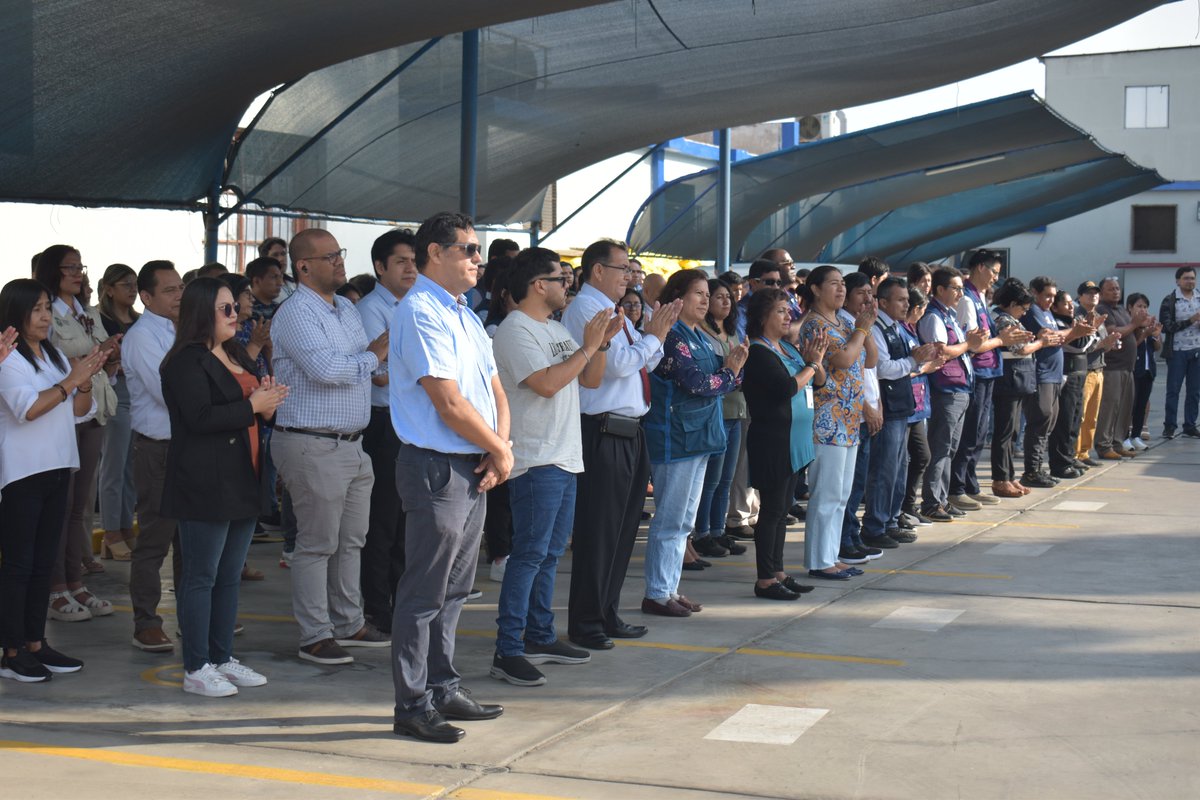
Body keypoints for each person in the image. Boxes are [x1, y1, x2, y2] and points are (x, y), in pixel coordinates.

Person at [388, 211, 509, 743]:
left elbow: (494, 390)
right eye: (468, 249)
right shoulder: (419, 312)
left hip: (473, 462)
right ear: (434, 253)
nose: (477, 259)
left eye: (477, 250)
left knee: (456, 589)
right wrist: (498, 449)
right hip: (437, 467)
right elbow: (448, 402)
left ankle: (442, 686)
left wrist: (498, 449)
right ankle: (413, 703)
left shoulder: (467, 315)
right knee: (424, 591)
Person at [489, 247, 620, 687]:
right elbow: (546, 385)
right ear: (537, 285)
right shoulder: (515, 330)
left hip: (564, 455)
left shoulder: (554, 328)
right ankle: (507, 648)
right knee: (528, 555)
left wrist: (599, 345)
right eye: (561, 279)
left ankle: (540, 635)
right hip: (535, 458)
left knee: (548, 555)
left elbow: (591, 379)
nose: (568, 285)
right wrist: (587, 346)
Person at [160, 278, 288, 696]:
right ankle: (196, 665)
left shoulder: (234, 353)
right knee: (201, 575)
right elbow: (198, 418)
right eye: (225, 309)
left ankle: (220, 655)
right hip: (205, 481)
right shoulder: (185, 362)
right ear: (201, 313)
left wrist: (265, 403)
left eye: (235, 307)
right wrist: (251, 406)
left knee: (229, 575)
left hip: (242, 475)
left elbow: (246, 411)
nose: (236, 315)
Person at [271, 229, 390, 666]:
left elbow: (362, 366)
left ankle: (348, 621)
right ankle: (314, 635)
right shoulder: (296, 312)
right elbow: (326, 369)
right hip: (312, 442)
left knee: (351, 541)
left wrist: (378, 364)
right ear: (303, 267)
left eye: (339, 254)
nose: (340, 262)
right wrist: (375, 358)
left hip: (352, 444)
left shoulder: (345, 308)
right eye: (330, 257)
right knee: (317, 544)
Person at [562, 239, 681, 650]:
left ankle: (607, 611)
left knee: (623, 529)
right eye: (622, 269)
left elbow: (642, 360)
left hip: (630, 429)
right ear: (597, 271)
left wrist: (653, 337)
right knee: (600, 531)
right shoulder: (587, 309)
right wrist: (653, 336)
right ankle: (587, 620)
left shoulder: (617, 311)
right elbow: (616, 366)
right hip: (602, 429)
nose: (629, 276)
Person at [0, 280, 104, 681]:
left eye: (47, 308)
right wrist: (68, 382)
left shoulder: (55, 355)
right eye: (38, 309)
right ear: (16, 313)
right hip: (23, 472)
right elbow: (29, 409)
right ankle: (11, 651)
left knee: (44, 563)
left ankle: (35, 643)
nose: (46, 316)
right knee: (19, 565)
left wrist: (85, 380)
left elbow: (80, 409)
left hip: (59, 466)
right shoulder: (9, 360)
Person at [642, 270, 746, 617]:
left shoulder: (698, 335)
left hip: (699, 434)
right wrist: (728, 373)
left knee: (684, 520)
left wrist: (729, 372)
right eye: (698, 294)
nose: (705, 300)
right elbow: (697, 382)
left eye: (707, 294)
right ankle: (657, 592)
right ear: (677, 298)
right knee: (671, 518)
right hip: (677, 436)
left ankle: (669, 588)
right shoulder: (671, 336)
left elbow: (725, 377)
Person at [34, 246, 120, 622]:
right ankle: (54, 588)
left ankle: (75, 582)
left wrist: (107, 355)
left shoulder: (86, 312)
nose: (78, 273)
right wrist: (94, 355)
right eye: (70, 267)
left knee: (79, 507)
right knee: (60, 505)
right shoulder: (46, 311)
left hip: (94, 410)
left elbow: (93, 357)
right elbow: (55, 361)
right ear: (53, 271)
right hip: (63, 415)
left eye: (80, 267)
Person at [355, 228, 419, 634]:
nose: (411, 268)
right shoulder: (371, 310)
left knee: (404, 523)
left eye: (414, 261)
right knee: (382, 521)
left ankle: (400, 600)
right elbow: (377, 374)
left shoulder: (415, 305)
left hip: (410, 422)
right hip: (383, 425)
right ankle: (378, 606)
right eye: (401, 261)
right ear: (380, 267)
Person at [743, 288, 825, 599]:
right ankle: (765, 579)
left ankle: (777, 571)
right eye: (780, 310)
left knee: (781, 510)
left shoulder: (787, 349)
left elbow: (819, 382)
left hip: (795, 441)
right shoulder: (759, 352)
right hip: (774, 441)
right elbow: (786, 387)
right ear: (763, 317)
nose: (788, 315)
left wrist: (814, 362)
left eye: (788, 309)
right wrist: (812, 365)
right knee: (772, 511)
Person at [798, 266, 876, 580]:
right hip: (827, 420)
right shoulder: (815, 325)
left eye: (843, 284)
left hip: (849, 418)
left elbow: (870, 359)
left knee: (841, 494)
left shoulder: (844, 320)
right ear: (815, 289)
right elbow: (843, 359)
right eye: (834, 284)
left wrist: (865, 327)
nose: (841, 289)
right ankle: (819, 560)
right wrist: (861, 330)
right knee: (826, 493)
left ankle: (831, 555)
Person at [123, 260, 185, 652]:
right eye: (169, 290)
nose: (179, 295)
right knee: (155, 539)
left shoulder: (185, 329)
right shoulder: (143, 337)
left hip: (189, 446)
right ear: (145, 298)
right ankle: (145, 621)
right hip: (159, 448)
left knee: (191, 539)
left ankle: (194, 616)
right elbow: (171, 394)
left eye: (180, 288)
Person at [860, 277, 939, 554]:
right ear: (883, 302)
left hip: (902, 406)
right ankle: (875, 526)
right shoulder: (877, 328)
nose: (907, 304)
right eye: (901, 299)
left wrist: (919, 355)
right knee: (884, 470)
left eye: (907, 299)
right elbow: (882, 368)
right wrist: (914, 360)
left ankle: (891, 519)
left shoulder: (896, 327)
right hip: (889, 407)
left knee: (898, 467)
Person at [949, 250, 1030, 510]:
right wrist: (1003, 341)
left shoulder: (980, 298)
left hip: (988, 373)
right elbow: (973, 344)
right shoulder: (967, 299)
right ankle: (957, 487)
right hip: (976, 373)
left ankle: (970, 485)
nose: (995, 277)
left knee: (979, 434)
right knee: (969, 434)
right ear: (980, 268)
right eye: (993, 272)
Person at [918, 267, 987, 522]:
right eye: (956, 288)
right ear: (940, 290)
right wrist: (969, 344)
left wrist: (969, 343)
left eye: (961, 288)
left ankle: (942, 499)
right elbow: (942, 352)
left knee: (951, 448)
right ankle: (931, 502)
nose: (960, 293)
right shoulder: (934, 317)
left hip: (959, 388)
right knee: (941, 447)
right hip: (945, 390)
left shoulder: (949, 315)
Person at [692, 279, 750, 559]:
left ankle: (718, 530)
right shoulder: (701, 332)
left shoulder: (733, 331)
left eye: (729, 297)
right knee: (711, 480)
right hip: (717, 411)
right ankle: (701, 533)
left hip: (737, 409)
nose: (725, 302)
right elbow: (718, 371)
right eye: (718, 297)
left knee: (726, 479)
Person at [1020, 277, 1094, 486]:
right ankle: (1031, 471)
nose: (1050, 301)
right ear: (1034, 292)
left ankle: (1038, 468)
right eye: (1047, 296)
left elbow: (1057, 337)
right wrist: (1075, 331)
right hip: (1041, 374)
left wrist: (1076, 332)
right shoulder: (1034, 311)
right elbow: (1050, 336)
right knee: (1039, 421)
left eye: (1053, 296)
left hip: (1054, 375)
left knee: (1049, 423)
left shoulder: (1046, 312)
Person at [96, 264, 140, 561]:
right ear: (109, 289)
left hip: (138, 395)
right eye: (125, 284)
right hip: (114, 394)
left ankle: (125, 528)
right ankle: (111, 531)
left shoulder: (140, 321)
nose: (132, 289)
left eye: (135, 284)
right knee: (113, 466)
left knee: (132, 469)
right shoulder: (99, 321)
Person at [990, 279, 1045, 497]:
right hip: (1008, 382)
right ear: (1012, 303)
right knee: (1004, 433)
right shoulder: (1002, 319)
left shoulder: (1009, 318)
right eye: (1023, 308)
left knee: (1012, 433)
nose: (1024, 313)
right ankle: (1000, 478)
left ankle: (1009, 476)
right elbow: (1019, 348)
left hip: (1017, 381)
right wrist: (1042, 342)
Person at [1095, 277, 1150, 460]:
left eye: (1117, 288)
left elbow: (1132, 340)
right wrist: (1134, 323)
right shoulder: (1103, 309)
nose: (1116, 292)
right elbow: (1114, 333)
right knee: (1110, 408)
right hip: (1113, 367)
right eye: (1111, 289)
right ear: (1101, 293)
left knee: (1124, 409)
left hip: (1128, 367)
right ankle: (1104, 446)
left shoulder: (1122, 311)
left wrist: (1146, 331)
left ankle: (1117, 443)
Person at [1050, 290, 1104, 475]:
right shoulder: (1056, 322)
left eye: (1071, 303)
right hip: (1068, 374)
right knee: (1064, 421)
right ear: (1055, 307)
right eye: (1065, 304)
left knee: (1075, 419)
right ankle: (1061, 463)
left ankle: (1070, 456)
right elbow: (1077, 345)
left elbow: (1091, 341)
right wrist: (1084, 332)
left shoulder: (1072, 323)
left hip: (1081, 372)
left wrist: (1088, 331)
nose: (1071, 306)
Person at [1075, 281, 1115, 466]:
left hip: (1099, 368)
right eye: (1089, 293)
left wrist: (1110, 343)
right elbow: (1082, 345)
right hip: (1086, 370)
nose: (1093, 296)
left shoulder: (1098, 316)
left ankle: (1084, 452)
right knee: (1080, 415)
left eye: (1096, 293)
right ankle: (1074, 454)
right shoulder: (1078, 316)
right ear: (1080, 296)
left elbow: (1101, 343)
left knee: (1092, 416)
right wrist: (1102, 344)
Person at [1159, 266, 1200, 439]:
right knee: (1173, 390)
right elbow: (1167, 327)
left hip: (1197, 351)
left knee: (1194, 391)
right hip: (1177, 352)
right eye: (1186, 278)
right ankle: (1169, 426)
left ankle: (1190, 425)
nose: (1190, 281)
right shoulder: (1170, 300)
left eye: (1192, 278)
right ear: (1178, 281)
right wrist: (1191, 320)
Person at [1127, 293, 1162, 449]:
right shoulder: (1129, 325)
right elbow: (1132, 345)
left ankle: (1136, 435)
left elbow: (1157, 348)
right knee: (1130, 406)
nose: (1143, 310)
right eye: (1139, 306)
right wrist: (1144, 333)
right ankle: (1124, 437)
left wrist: (1155, 335)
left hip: (1148, 370)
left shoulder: (1148, 323)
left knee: (1141, 405)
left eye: (1145, 306)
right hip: (1134, 370)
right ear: (1130, 308)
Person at [246, 256, 286, 322]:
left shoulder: (280, 308)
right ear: (256, 281)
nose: (281, 283)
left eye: (280, 277)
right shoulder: (248, 311)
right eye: (274, 277)